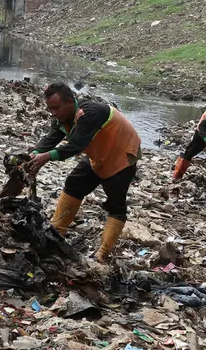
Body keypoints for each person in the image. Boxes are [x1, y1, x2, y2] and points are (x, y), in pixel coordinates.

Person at [25, 83, 141, 263]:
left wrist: (46, 157)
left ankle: (103, 253)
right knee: (74, 184)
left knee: (115, 203)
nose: (53, 113)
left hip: (121, 156)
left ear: (70, 102)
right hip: (98, 155)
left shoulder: (89, 113)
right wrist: (33, 154)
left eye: (57, 108)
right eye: (50, 109)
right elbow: (51, 138)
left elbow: (75, 146)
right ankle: (57, 232)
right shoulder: (61, 117)